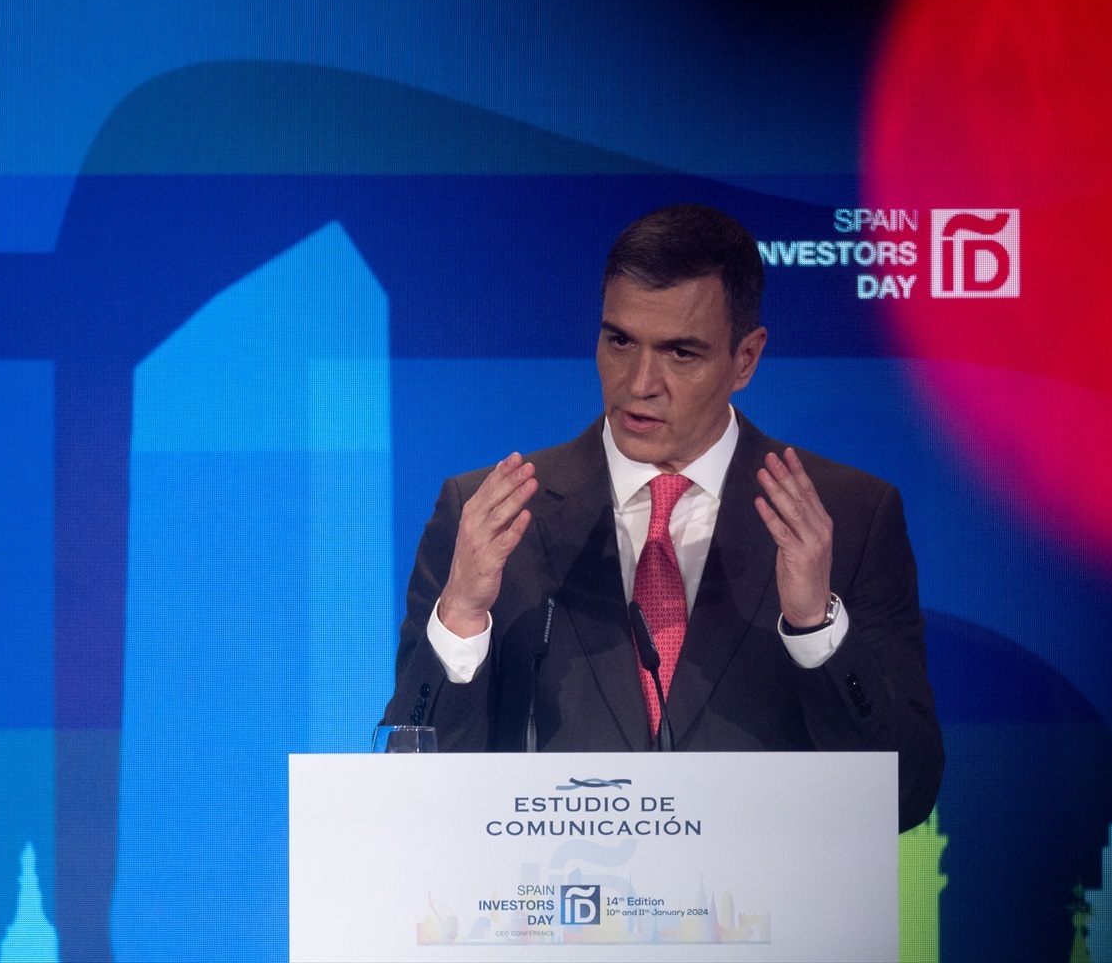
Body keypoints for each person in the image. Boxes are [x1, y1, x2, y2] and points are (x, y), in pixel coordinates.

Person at [382, 204, 942, 830]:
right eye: (620, 341)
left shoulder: (850, 517)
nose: (639, 383)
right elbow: (408, 792)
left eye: (680, 353)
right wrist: (461, 618)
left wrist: (816, 628)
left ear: (746, 358)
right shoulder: (492, 515)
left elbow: (905, 796)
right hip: (554, 888)